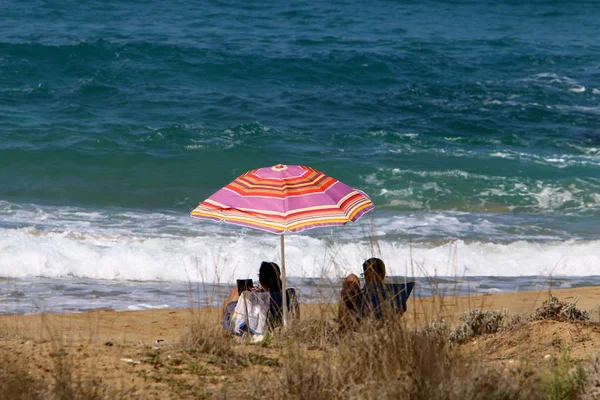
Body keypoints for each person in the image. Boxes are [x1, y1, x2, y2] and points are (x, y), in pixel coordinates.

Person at [221, 261, 284, 334]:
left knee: (232, 298)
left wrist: (241, 295)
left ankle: (225, 335)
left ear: (261, 279)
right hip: (274, 326)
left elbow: (228, 309)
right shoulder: (286, 295)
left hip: (255, 332)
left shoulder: (255, 297)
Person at [338, 257, 390, 330]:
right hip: (382, 326)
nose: (365, 276)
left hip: (360, 326)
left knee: (351, 278)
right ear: (383, 274)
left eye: (366, 273)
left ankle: (341, 331)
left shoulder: (364, 295)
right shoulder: (394, 293)